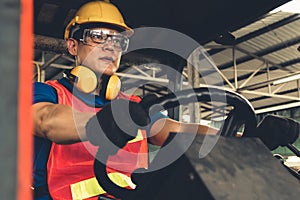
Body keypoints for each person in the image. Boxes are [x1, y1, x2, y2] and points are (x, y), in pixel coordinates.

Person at [32, 1, 218, 199]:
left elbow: (175, 130)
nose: (110, 47)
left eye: (118, 41)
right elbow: (46, 120)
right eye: (98, 36)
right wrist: (102, 124)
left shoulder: (135, 107)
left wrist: (232, 141)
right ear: (73, 45)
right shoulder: (46, 93)